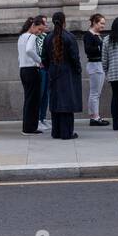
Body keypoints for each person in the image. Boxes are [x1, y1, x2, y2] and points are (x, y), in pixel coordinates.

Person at [43, 11, 82, 140]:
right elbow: (75, 57)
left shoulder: (48, 37)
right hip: (67, 73)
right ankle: (67, 133)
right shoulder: (69, 37)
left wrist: (50, 68)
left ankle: (56, 132)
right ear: (64, 21)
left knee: (55, 102)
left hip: (53, 72)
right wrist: (78, 69)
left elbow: (44, 58)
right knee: (67, 102)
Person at [18, 15, 45, 135]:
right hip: (31, 70)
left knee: (29, 99)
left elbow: (20, 55)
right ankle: (30, 128)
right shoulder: (31, 36)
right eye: (39, 29)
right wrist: (40, 61)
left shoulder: (21, 37)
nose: (39, 32)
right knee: (33, 100)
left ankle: (27, 127)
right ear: (33, 26)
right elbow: (29, 50)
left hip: (23, 70)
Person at [82, 14, 109, 127]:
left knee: (96, 93)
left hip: (98, 64)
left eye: (103, 23)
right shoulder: (89, 35)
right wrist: (101, 48)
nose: (103, 25)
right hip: (95, 65)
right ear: (94, 22)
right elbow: (88, 50)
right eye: (101, 23)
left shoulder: (97, 35)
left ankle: (95, 115)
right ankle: (95, 117)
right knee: (95, 93)